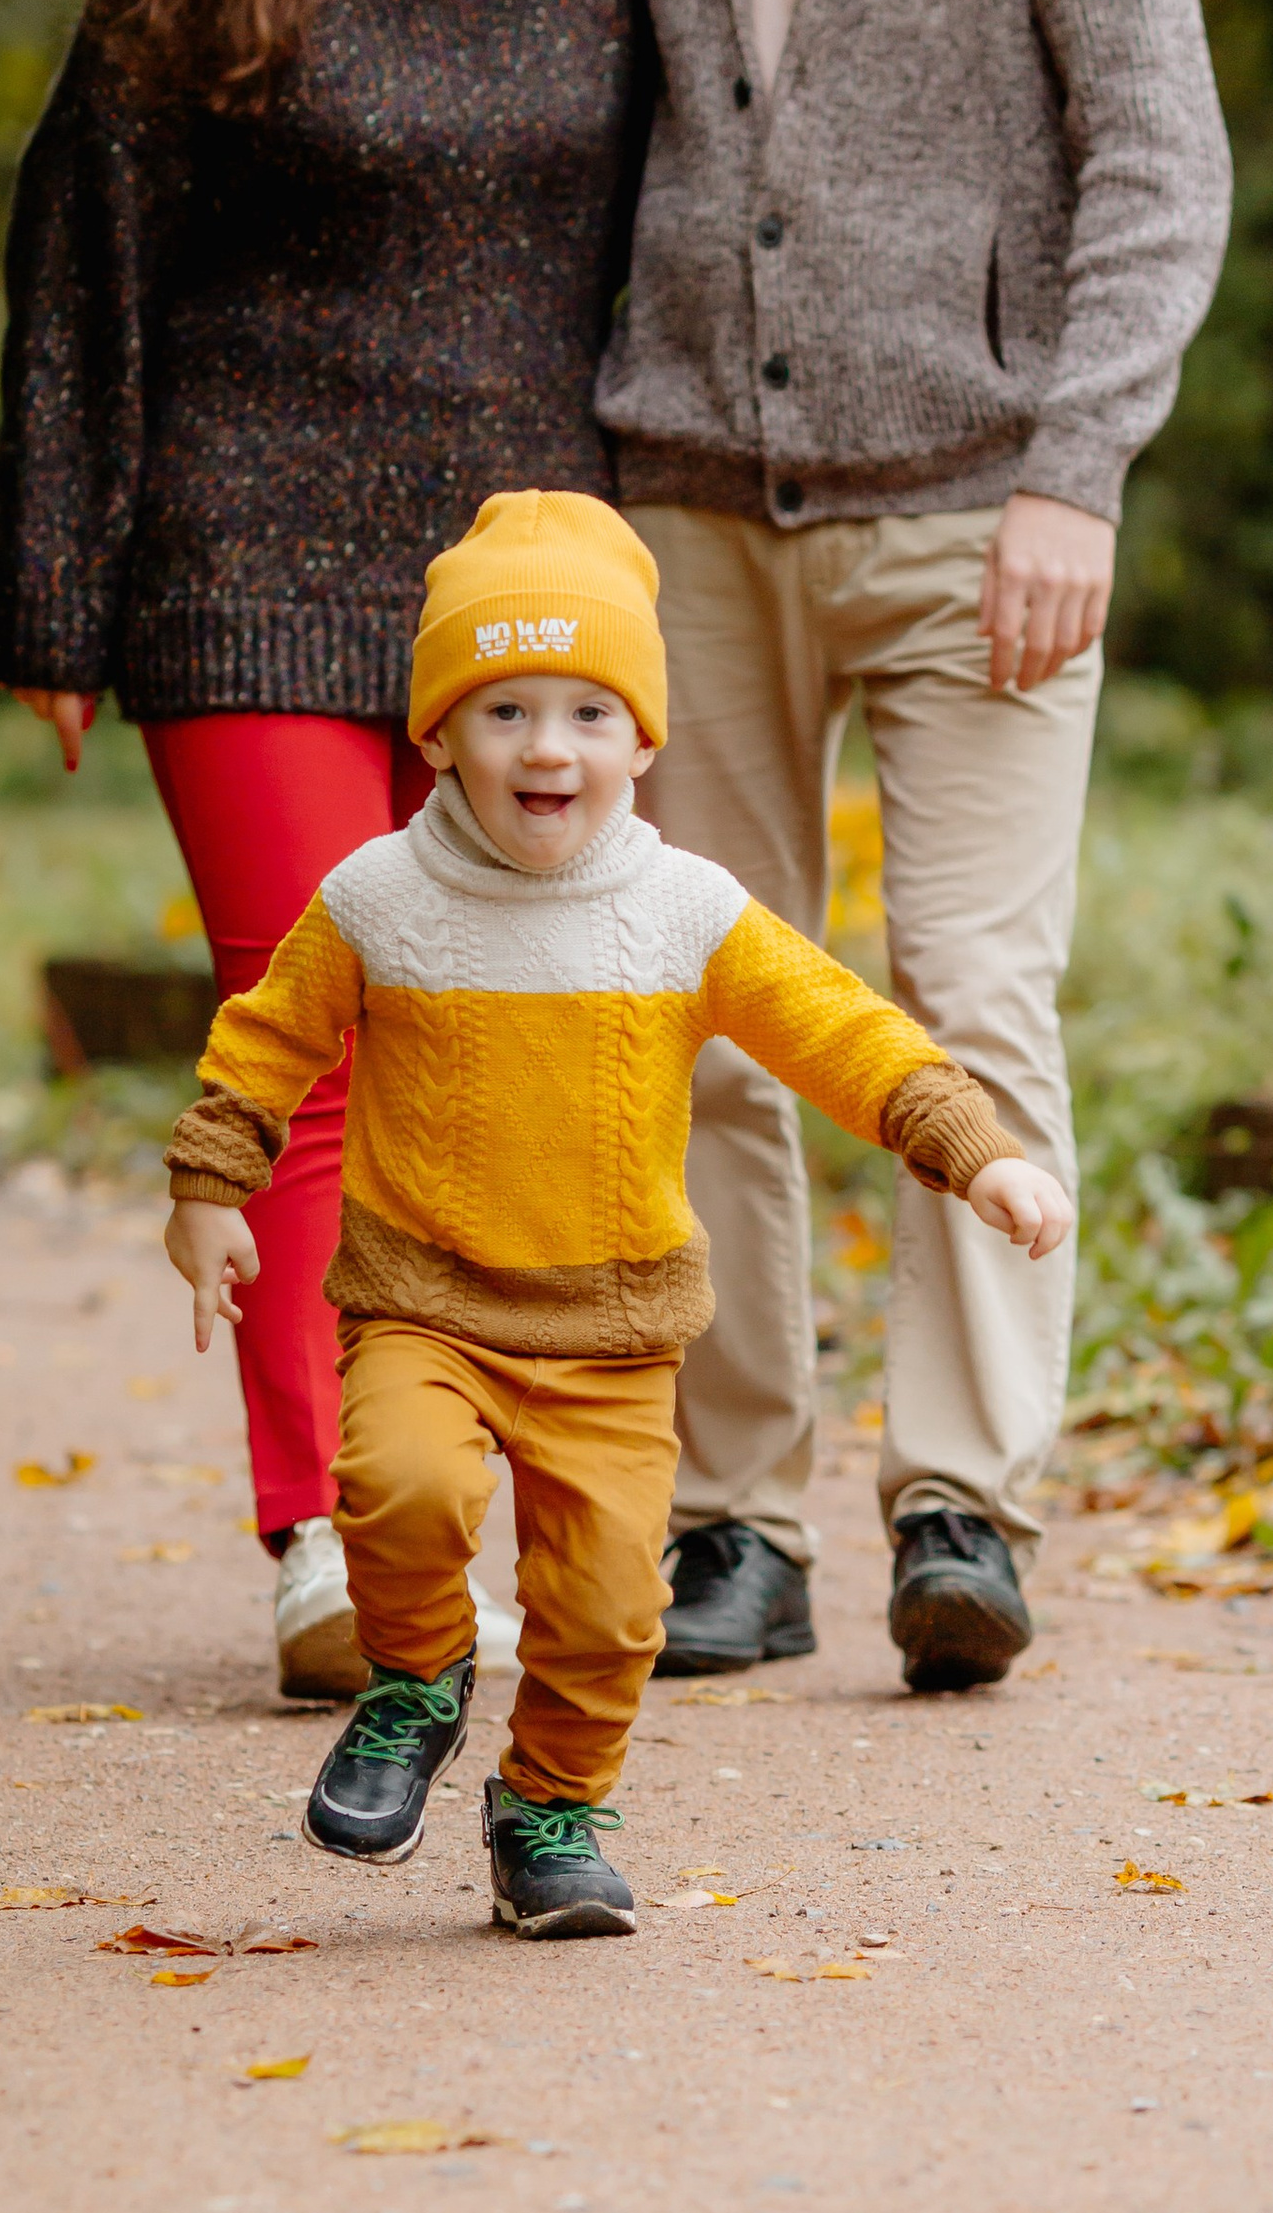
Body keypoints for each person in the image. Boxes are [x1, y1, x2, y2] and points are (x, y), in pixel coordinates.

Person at [596, 0, 1231, 1693]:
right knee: (711, 1018)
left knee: (966, 992)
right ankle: (730, 1520)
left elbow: (1156, 146)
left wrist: (1079, 463)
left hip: (979, 500)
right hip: (683, 496)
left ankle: (962, 1498)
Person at [0, 0, 645, 1703]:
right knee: (309, 1039)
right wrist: (57, 594)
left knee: (491, 1044)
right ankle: (323, 1539)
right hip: (241, 550)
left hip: (517, 591)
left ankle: (475, 1485)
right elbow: (81, 247)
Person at [157, 493, 1071, 1939]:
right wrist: (211, 1185)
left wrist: (974, 1147)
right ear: (438, 732)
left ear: (643, 741)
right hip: (425, 1302)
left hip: (613, 1329)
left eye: (589, 711)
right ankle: (416, 1678)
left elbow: (840, 1030)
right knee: (398, 1486)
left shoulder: (683, 909)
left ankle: (549, 1809)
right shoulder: (379, 897)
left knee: (606, 1612)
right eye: (504, 707)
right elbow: (266, 1041)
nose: (546, 747)